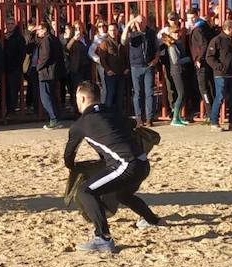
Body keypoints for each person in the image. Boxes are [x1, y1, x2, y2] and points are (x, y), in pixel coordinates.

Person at [63, 80, 162, 254]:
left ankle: (103, 238)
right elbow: (133, 124)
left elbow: (69, 156)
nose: (77, 102)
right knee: (122, 194)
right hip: (143, 163)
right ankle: (151, 220)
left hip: (126, 165)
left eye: (78, 98)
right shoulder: (112, 112)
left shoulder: (81, 124)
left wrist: (74, 167)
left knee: (85, 191)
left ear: (84, 99)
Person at [204, 18, 232, 131]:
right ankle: (214, 122)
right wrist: (219, 67)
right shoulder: (217, 40)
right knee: (220, 97)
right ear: (229, 28)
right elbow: (209, 57)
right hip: (221, 74)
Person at [123, 12, 158, 126]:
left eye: (142, 21)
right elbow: (123, 41)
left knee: (149, 92)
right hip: (135, 66)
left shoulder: (151, 33)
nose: (140, 24)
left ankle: (149, 118)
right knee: (137, 93)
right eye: (138, 21)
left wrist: (155, 59)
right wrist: (129, 24)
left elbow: (156, 48)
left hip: (148, 65)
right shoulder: (132, 34)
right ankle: (138, 117)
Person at [160, 16, 194, 126]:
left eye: (178, 32)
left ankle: (178, 116)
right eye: (175, 33)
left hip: (180, 71)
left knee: (183, 94)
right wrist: (188, 59)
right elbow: (175, 61)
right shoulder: (171, 46)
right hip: (176, 71)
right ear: (170, 34)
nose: (177, 34)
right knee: (181, 94)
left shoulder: (177, 44)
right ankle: (175, 118)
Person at [32, 19, 64, 128]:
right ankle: (56, 118)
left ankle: (53, 119)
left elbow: (45, 57)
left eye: (39, 30)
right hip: (53, 72)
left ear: (45, 30)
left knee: (45, 97)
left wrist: (38, 67)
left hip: (46, 72)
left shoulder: (46, 40)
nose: (37, 32)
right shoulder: (53, 38)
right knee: (52, 96)